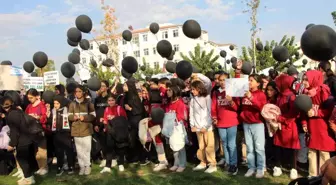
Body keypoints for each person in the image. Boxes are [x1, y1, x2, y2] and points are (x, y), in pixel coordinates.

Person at [301, 70, 336, 177]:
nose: (304, 82)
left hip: (323, 128)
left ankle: (325, 176)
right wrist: (304, 123)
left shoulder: (323, 91)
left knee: (323, 153)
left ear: (314, 79)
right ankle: (312, 176)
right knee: (311, 152)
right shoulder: (305, 93)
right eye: (303, 79)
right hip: (311, 127)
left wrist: (316, 112)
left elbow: (330, 111)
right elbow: (302, 110)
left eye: (306, 79)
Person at [3, 96, 38, 185]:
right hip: (27, 138)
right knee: (25, 159)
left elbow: (15, 131)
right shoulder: (17, 111)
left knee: (22, 160)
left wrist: (12, 144)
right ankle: (27, 177)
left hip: (22, 140)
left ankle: (29, 179)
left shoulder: (12, 115)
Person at [272, 74, 300, 180]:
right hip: (279, 125)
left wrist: (281, 119)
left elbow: (294, 113)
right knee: (278, 146)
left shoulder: (291, 96)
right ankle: (278, 166)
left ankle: (293, 168)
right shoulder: (280, 95)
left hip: (289, 125)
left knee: (292, 148)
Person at [211, 72, 240, 175]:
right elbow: (213, 107)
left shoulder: (232, 91)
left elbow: (237, 108)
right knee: (224, 144)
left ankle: (234, 165)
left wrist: (231, 101)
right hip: (220, 123)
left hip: (232, 121)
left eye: (225, 80)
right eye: (221, 80)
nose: (223, 82)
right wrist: (214, 118)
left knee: (231, 144)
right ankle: (227, 163)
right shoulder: (216, 93)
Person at [240, 74, 267, 178]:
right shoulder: (244, 94)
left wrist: (251, 97)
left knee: (259, 148)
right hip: (246, 123)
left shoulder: (261, 94)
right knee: (249, 147)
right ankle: (251, 167)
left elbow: (261, 107)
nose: (249, 82)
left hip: (257, 124)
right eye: (248, 80)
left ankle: (260, 168)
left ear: (258, 83)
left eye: (251, 80)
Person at [190, 80, 217, 173]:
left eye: (193, 89)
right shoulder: (192, 100)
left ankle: (212, 164)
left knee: (209, 145)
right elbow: (191, 113)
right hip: (197, 127)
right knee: (201, 146)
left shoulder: (207, 98)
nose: (192, 91)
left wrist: (206, 126)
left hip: (207, 127)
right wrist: (192, 125)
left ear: (199, 88)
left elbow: (210, 113)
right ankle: (203, 162)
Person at [68, 85, 96, 176]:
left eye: (79, 91)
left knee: (87, 149)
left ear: (83, 92)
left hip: (87, 130)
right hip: (76, 130)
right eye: (76, 92)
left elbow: (93, 116)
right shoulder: (72, 104)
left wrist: (85, 117)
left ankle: (87, 166)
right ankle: (81, 167)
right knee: (79, 151)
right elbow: (68, 116)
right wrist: (73, 117)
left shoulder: (89, 103)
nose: (78, 93)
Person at [47, 95, 75, 176]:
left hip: (66, 134)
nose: (55, 105)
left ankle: (70, 166)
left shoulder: (67, 110)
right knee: (59, 152)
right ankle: (60, 166)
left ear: (62, 103)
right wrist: (48, 116)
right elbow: (50, 122)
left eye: (57, 103)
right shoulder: (53, 111)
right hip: (56, 134)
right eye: (54, 103)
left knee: (69, 151)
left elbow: (70, 121)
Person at [100, 94, 128, 173]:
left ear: (115, 100)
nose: (111, 102)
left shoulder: (119, 108)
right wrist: (104, 121)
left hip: (119, 131)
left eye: (112, 100)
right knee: (109, 148)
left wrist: (115, 118)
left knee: (120, 148)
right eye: (109, 100)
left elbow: (124, 119)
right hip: (110, 131)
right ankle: (107, 166)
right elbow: (106, 120)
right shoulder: (106, 109)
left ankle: (121, 164)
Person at [25, 89, 48, 176]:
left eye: (31, 97)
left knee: (42, 150)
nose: (29, 99)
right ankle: (40, 167)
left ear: (36, 96)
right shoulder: (29, 106)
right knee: (36, 150)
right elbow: (25, 115)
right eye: (28, 98)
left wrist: (38, 117)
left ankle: (44, 167)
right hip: (32, 131)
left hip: (40, 130)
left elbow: (45, 117)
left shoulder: (41, 105)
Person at [166, 85, 188, 173]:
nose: (167, 92)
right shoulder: (170, 103)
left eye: (169, 90)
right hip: (171, 127)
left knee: (180, 145)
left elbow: (180, 116)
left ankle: (182, 164)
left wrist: (171, 118)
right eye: (167, 90)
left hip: (178, 127)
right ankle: (176, 163)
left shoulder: (180, 103)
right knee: (173, 145)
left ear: (174, 92)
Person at [123, 79, 146, 164]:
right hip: (131, 121)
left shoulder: (135, 96)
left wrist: (130, 109)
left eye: (125, 85)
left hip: (138, 121)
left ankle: (142, 158)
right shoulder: (128, 95)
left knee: (139, 139)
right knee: (132, 140)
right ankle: (134, 158)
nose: (124, 87)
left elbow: (139, 110)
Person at [94, 81, 110, 168]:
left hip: (109, 124)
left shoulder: (110, 98)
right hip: (99, 124)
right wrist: (96, 124)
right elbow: (95, 113)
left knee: (109, 142)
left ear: (107, 87)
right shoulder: (97, 99)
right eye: (100, 86)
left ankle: (111, 159)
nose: (101, 87)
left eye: (103, 86)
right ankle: (104, 158)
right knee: (102, 142)